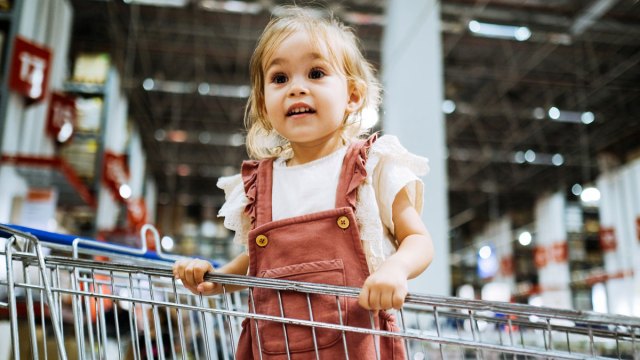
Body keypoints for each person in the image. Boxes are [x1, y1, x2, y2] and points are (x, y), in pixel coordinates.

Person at [173, 6, 434, 359]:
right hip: (271, 348)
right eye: (280, 79)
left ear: (353, 96)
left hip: (356, 345)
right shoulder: (257, 184)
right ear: (265, 105)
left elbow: (418, 239)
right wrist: (216, 277)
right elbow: (258, 263)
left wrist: (395, 269)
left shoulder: (373, 167)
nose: (296, 88)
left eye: (315, 73)